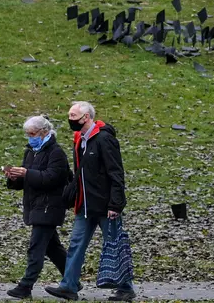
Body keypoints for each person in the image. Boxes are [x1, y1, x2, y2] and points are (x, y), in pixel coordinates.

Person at [45, 101, 136, 302]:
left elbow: (116, 173)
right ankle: (68, 286)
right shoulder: (80, 139)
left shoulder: (104, 139)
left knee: (114, 245)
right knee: (76, 244)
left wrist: (115, 204)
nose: (70, 120)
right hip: (85, 205)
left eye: (73, 116)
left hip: (105, 206)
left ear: (86, 117)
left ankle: (126, 287)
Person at [4, 115, 72, 300]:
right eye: (27, 134)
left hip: (50, 206)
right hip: (36, 206)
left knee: (36, 248)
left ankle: (25, 286)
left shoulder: (56, 152)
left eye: (32, 133)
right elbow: (28, 180)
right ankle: (72, 281)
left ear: (44, 132)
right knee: (53, 248)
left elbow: (52, 178)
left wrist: (27, 173)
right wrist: (14, 178)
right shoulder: (31, 151)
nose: (29, 137)